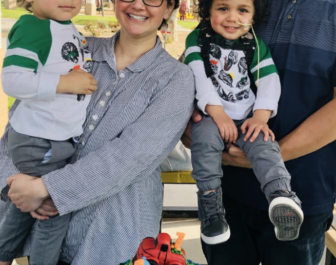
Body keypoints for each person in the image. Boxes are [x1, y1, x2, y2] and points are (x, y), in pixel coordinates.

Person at [183, 0, 336, 264]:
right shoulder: (246, 1)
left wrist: (265, 156)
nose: (232, 15)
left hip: (301, 191)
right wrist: (190, 120)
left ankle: (281, 195)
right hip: (226, 191)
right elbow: (196, 60)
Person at [0, 0, 195, 264]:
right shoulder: (76, 49)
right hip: (40, 233)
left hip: (112, 238)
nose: (138, 5)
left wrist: (48, 189)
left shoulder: (176, 79)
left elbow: (131, 156)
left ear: (169, 8)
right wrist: (16, 185)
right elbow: (22, 120)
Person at [184, 0, 303, 245]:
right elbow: (198, 74)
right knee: (204, 145)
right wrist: (218, 113)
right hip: (209, 115)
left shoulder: (255, 45)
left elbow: (269, 80)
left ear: (253, 16)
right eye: (223, 8)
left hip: (247, 116)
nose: (232, 17)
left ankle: (281, 195)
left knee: (265, 145)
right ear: (209, 11)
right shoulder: (197, 39)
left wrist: (260, 116)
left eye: (243, 10)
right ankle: (211, 209)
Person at [0, 0, 96, 264]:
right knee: (54, 208)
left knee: (28, 204)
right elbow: (13, 79)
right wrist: (65, 83)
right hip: (39, 139)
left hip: (51, 137)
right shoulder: (35, 27)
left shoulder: (63, 26)